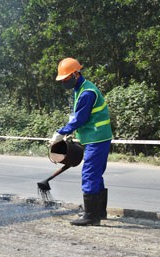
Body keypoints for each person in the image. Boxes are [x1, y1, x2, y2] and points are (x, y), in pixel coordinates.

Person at [49, 58, 112, 226]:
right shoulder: (80, 88)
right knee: (96, 174)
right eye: (62, 80)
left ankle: (91, 216)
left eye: (66, 79)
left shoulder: (87, 93)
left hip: (97, 138)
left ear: (76, 74)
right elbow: (79, 117)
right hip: (96, 137)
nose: (64, 82)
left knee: (89, 174)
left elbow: (81, 118)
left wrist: (61, 133)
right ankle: (100, 212)